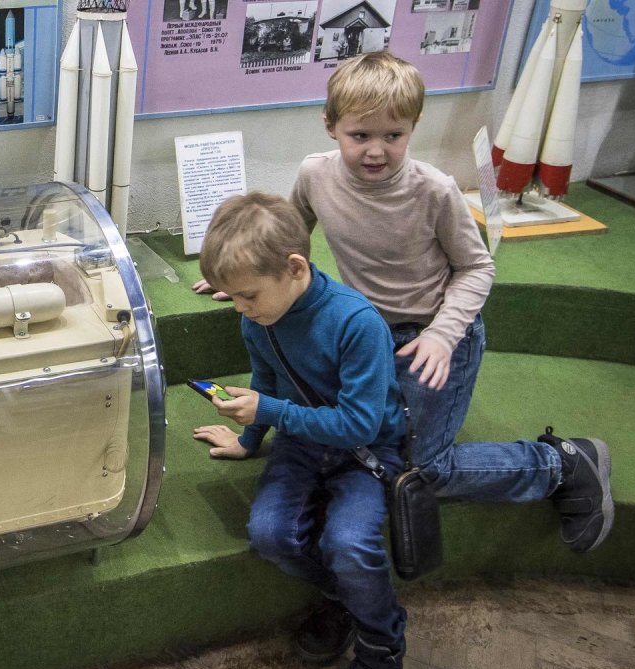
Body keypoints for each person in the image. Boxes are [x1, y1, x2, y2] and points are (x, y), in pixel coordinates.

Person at [194, 50, 613, 556]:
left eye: (393, 136)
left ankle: (561, 463)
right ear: (330, 126)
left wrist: (441, 335)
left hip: (432, 335)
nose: (377, 150)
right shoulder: (314, 174)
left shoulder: (434, 190)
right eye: (360, 135)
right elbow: (291, 237)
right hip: (367, 332)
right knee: (369, 441)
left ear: (413, 127)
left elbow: (478, 267)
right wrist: (250, 278)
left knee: (419, 466)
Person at [192, 192, 408, 669]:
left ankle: (383, 654)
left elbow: (362, 423)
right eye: (232, 297)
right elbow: (266, 379)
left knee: (350, 544)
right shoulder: (259, 318)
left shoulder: (357, 323)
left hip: (366, 450)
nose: (240, 309)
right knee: (269, 534)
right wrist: (248, 439)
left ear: (294, 268)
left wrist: (272, 411)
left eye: (247, 296)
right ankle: (347, 600)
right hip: (302, 440)